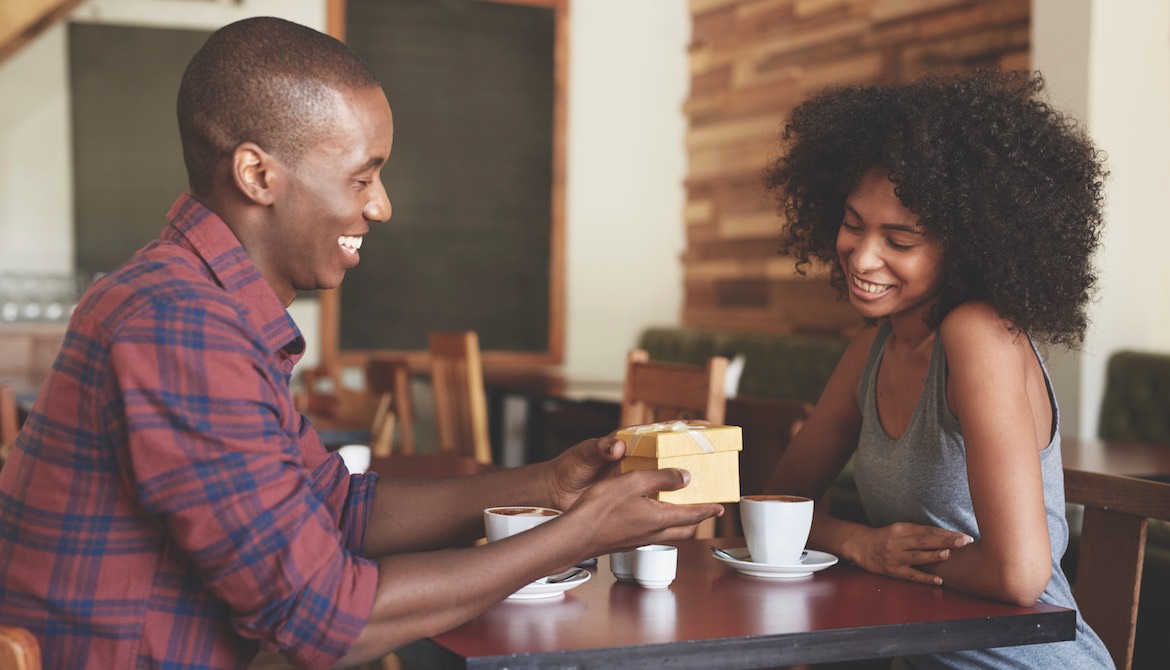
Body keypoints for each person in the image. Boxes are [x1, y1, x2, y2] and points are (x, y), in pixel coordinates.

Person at [0, 17, 722, 669]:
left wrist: (549, 487)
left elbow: (336, 508)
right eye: (363, 176)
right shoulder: (181, 325)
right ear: (258, 175)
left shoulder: (193, 302)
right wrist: (581, 536)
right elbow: (320, 619)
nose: (381, 205)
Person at [761, 70, 1114, 668]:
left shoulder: (977, 335)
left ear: (967, 246)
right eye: (853, 223)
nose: (863, 256)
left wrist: (876, 553)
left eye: (899, 239)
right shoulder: (869, 350)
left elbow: (1019, 574)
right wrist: (859, 542)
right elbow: (773, 506)